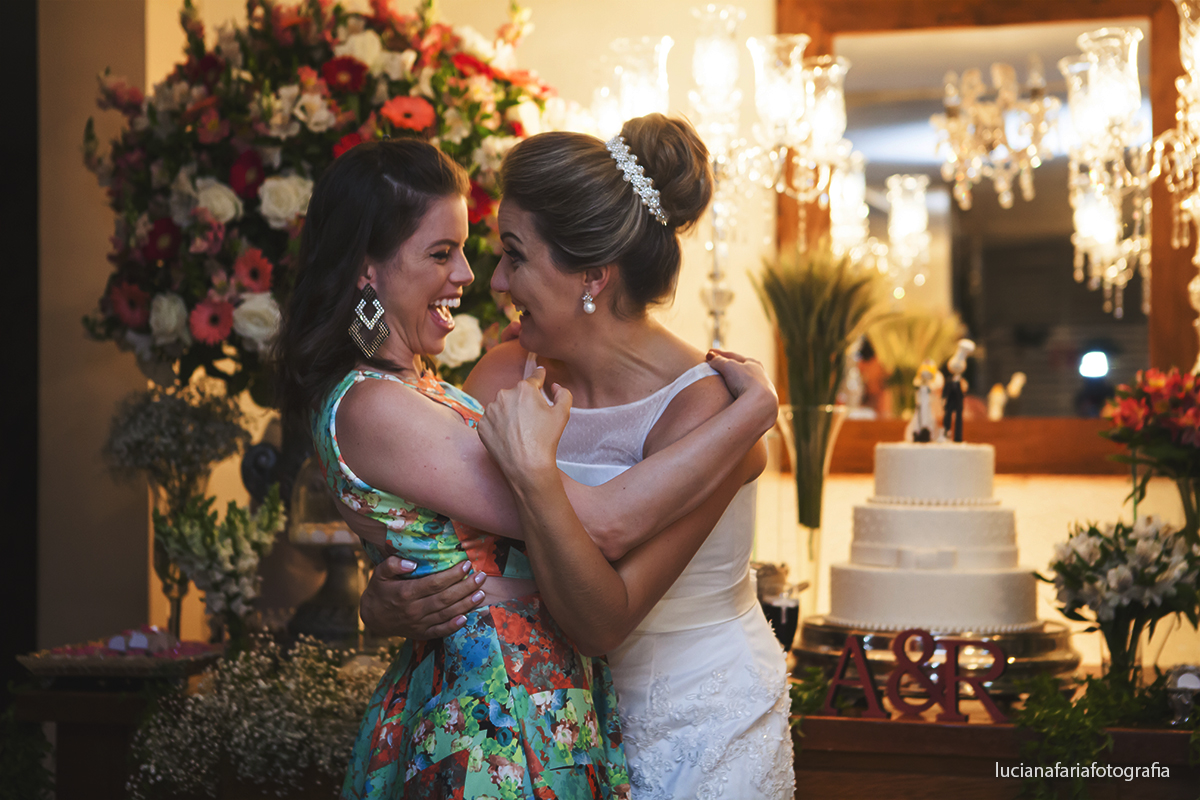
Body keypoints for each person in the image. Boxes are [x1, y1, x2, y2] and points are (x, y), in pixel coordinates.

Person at [276, 137, 779, 800]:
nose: (480, 278)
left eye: (509, 253)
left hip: (602, 709)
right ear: (368, 268)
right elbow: (587, 526)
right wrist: (756, 415)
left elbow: (444, 527)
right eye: (442, 252)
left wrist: (402, 578)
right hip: (497, 717)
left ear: (593, 275)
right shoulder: (402, 396)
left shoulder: (419, 389)